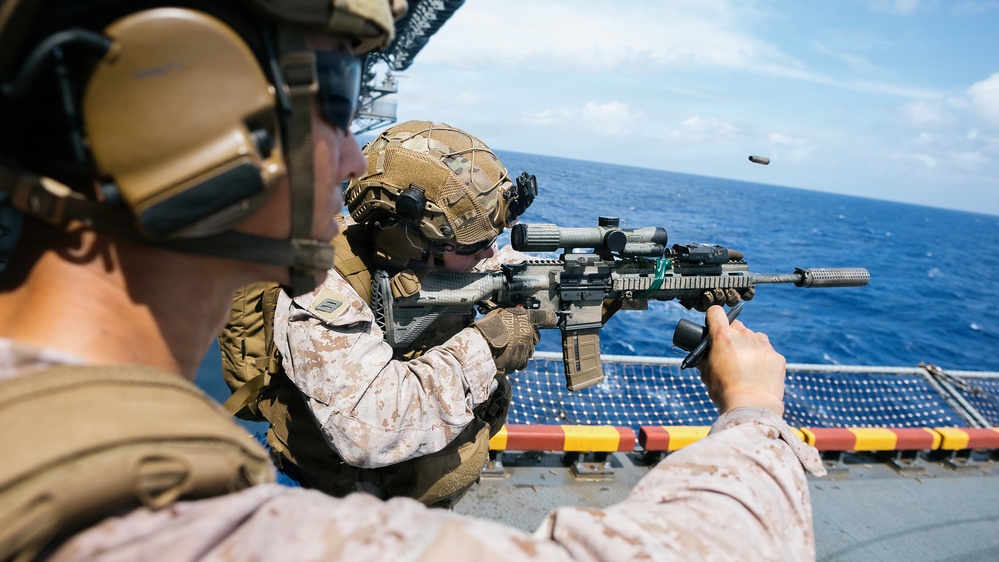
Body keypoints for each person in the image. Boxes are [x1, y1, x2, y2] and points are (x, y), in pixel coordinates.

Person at [0, 0, 826, 560]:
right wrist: (752, 413)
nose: (352, 157)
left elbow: (498, 276)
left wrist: (610, 287)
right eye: (332, 96)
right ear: (175, 111)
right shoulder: (170, 529)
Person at [219, 119, 551, 507]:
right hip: (329, 503)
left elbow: (487, 263)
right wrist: (489, 345)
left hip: (403, 499)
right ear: (411, 239)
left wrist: (555, 285)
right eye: (474, 245)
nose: (488, 253)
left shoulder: (427, 254)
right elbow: (370, 430)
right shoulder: (318, 287)